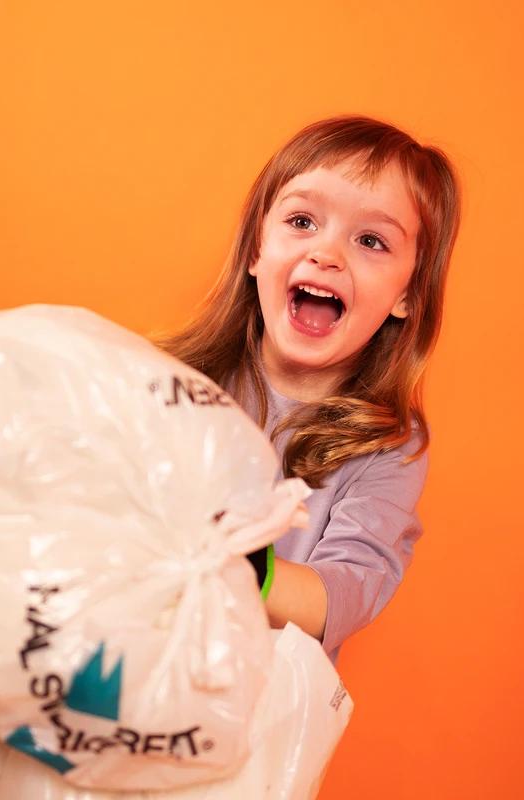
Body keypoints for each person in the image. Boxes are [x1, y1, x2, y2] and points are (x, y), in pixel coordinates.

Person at [157, 115, 462, 662]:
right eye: (302, 221)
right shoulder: (171, 381)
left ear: (408, 295)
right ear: (256, 251)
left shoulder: (391, 448)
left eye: (371, 240)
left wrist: (231, 559)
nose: (327, 253)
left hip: (241, 724)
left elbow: (340, 595)